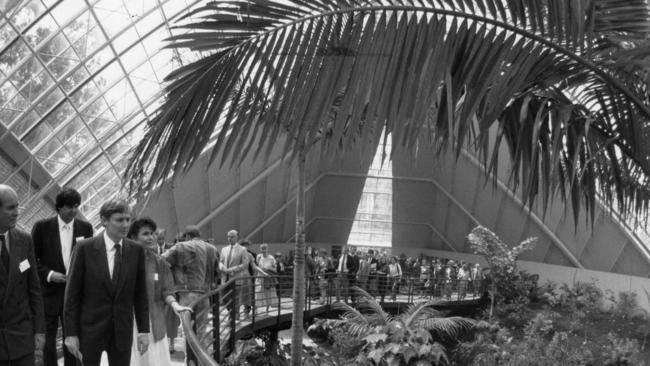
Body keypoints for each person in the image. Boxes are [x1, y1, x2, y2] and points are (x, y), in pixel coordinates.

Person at [63, 199, 149, 366]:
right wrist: (70, 334)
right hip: (89, 330)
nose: (125, 225)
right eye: (119, 220)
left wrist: (144, 330)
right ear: (104, 221)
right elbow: (72, 294)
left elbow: (140, 294)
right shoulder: (84, 248)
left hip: (122, 331)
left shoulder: (136, 251)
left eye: (128, 219)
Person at [32, 188, 93, 366]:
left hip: (74, 296)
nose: (74, 211)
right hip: (49, 294)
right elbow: (31, 260)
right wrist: (50, 275)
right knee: (49, 342)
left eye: (76, 206)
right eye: (69, 207)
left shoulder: (85, 228)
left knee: (73, 338)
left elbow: (88, 261)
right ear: (58, 207)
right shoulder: (42, 227)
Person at [128, 218, 192, 366]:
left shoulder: (159, 262)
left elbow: (166, 290)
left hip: (154, 319)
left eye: (152, 233)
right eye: (145, 234)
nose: (151, 237)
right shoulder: (122, 260)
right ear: (133, 237)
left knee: (154, 358)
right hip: (130, 321)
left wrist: (176, 306)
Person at [0, 185, 45, 365]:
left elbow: (34, 288)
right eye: (10, 208)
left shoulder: (24, 240)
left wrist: (39, 330)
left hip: (22, 337)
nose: (16, 213)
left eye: (17, 207)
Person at [219, 230, 251, 319]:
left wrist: (232, 269)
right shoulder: (224, 249)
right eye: (228, 236)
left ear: (237, 237)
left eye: (232, 237)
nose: (229, 238)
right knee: (224, 297)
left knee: (236, 299)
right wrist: (222, 268)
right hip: (225, 278)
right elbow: (220, 261)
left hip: (236, 278)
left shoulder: (242, 249)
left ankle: (234, 316)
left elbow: (245, 264)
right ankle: (232, 313)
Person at [255, 243, 278, 312]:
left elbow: (275, 269)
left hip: (267, 278)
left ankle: (267, 310)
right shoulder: (258, 257)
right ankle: (256, 310)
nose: (263, 250)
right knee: (257, 293)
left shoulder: (271, 258)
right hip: (260, 278)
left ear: (267, 249)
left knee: (268, 294)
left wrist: (268, 268)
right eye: (262, 248)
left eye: (265, 248)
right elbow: (257, 266)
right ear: (260, 249)